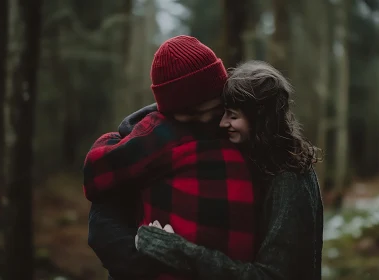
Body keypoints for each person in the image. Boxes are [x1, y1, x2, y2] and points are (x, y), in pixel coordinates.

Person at [84, 36, 262, 279]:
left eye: (215, 109)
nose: (209, 121)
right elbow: (98, 171)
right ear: (170, 112)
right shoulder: (158, 137)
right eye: (194, 114)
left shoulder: (241, 129)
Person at [134, 60, 324, 280]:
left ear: (261, 120)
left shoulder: (289, 180)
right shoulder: (258, 160)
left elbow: (273, 275)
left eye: (233, 116)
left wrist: (176, 251)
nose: (223, 123)